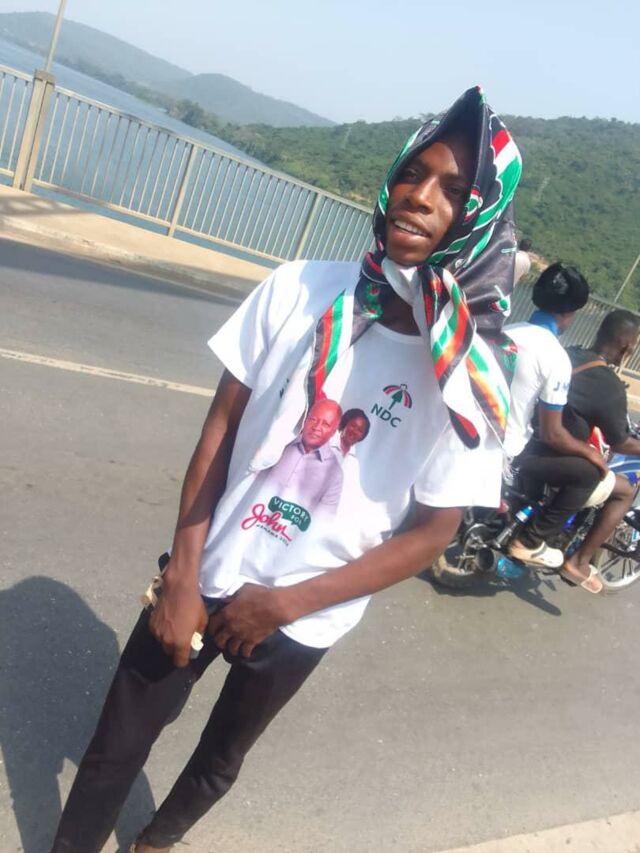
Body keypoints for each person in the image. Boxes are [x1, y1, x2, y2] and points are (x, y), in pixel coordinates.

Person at [50, 86, 523, 853]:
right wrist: (183, 574)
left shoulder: (470, 375)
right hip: (208, 569)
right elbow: (220, 426)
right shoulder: (302, 287)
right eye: (414, 172)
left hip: (305, 613)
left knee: (220, 759)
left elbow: (433, 532)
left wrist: (284, 604)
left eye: (453, 189)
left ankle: (153, 843)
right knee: (116, 742)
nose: (420, 196)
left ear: (481, 218)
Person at [514, 309, 640, 593]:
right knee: (621, 489)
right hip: (545, 453)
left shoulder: (568, 354)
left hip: (522, 440)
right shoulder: (608, 386)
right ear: (626, 347)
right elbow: (620, 442)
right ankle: (576, 561)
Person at [503, 263, 607, 569]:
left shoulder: (504, 332)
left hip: (467, 434)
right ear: (569, 314)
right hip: (508, 451)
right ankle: (530, 541)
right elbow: (553, 434)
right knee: (588, 474)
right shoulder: (555, 357)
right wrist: (590, 453)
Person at [260, 398, 344, 513]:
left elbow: (324, 518)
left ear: (333, 432)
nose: (316, 427)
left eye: (325, 424)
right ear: (305, 420)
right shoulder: (281, 445)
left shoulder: (334, 474)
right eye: (313, 419)